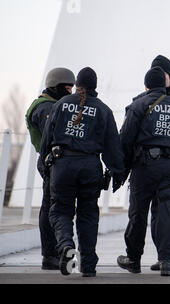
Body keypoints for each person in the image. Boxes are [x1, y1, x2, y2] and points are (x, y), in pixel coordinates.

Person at [40, 67, 125, 277]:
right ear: (96, 86)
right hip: (90, 167)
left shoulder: (61, 104)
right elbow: (113, 146)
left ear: (77, 85)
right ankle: (88, 265)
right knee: (88, 215)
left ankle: (66, 246)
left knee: (60, 211)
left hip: (63, 166)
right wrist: (117, 173)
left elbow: (46, 139)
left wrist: (44, 165)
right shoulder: (103, 110)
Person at [117, 66, 170, 276]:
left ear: (146, 85)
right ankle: (167, 260)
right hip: (169, 166)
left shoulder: (138, 105)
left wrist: (120, 168)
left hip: (144, 166)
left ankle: (133, 259)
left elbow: (126, 139)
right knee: (166, 211)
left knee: (138, 213)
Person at [25, 67, 75, 270]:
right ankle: (50, 254)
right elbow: (53, 135)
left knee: (54, 207)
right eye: (67, 88)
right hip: (52, 161)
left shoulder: (53, 105)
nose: (70, 92)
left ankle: (55, 252)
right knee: (50, 208)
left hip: (56, 162)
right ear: (55, 87)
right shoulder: (46, 107)